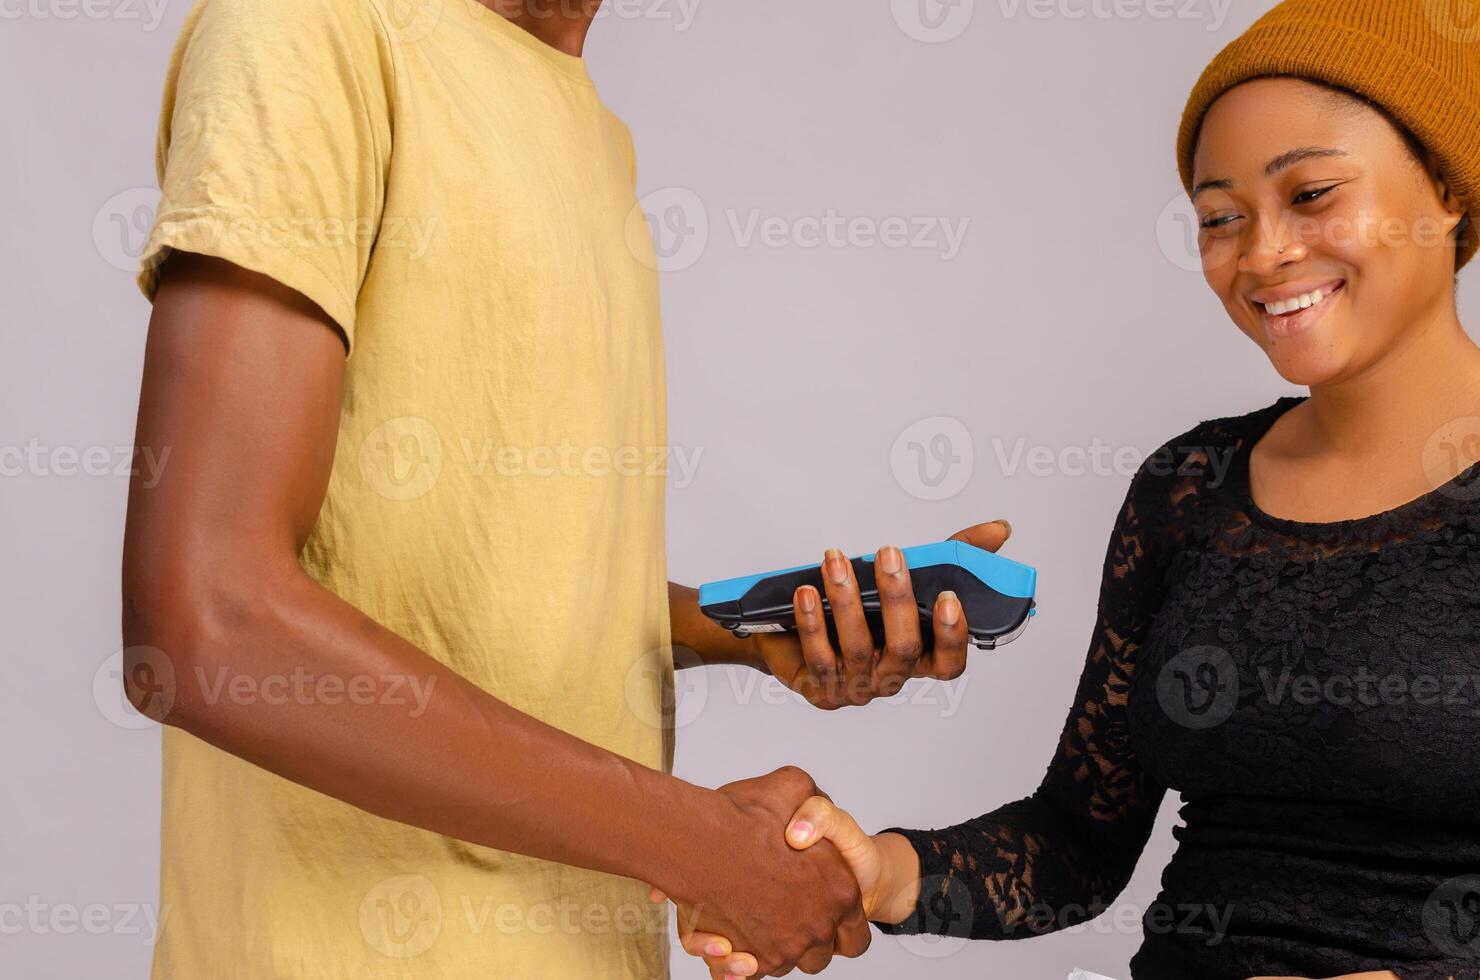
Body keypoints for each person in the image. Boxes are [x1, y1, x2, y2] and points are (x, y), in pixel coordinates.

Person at [120, 0, 1003, 977]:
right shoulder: (305, 30)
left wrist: (737, 625)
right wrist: (701, 841)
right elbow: (206, 623)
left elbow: (483, 574)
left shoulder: (594, 132)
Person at [674, 1, 1480, 977]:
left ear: (1443, 187)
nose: (1260, 254)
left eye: (1310, 192)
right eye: (1220, 217)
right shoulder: (1190, 486)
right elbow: (1075, 840)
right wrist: (874, 868)